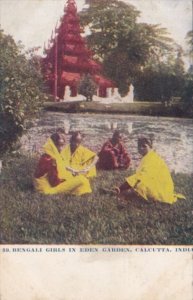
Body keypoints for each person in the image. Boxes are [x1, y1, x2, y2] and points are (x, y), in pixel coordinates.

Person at [115, 136, 185, 205]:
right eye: (139, 146)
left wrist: (121, 188)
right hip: (163, 186)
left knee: (139, 185)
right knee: (138, 186)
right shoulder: (149, 155)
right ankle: (123, 191)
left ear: (150, 147)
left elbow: (140, 176)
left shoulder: (152, 158)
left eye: (144, 146)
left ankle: (119, 191)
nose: (141, 148)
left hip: (162, 189)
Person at [34, 129, 92, 195]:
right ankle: (78, 192)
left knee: (75, 179)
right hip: (46, 190)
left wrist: (71, 174)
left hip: (40, 187)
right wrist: (66, 181)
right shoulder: (51, 159)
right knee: (82, 179)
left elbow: (62, 167)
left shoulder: (47, 155)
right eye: (59, 145)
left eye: (62, 145)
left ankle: (78, 190)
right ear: (53, 145)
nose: (61, 148)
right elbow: (54, 182)